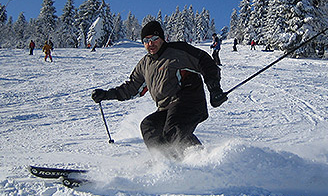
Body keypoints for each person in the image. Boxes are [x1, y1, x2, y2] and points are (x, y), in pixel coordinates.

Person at [91, 21, 227, 160]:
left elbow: (205, 62)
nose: (150, 43)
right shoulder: (145, 64)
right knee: (149, 126)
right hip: (165, 108)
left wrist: (214, 88)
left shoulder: (177, 51)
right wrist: (106, 95)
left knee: (173, 129)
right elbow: (132, 88)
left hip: (188, 102)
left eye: (154, 39)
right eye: (146, 40)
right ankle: (166, 162)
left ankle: (202, 161)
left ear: (162, 38)